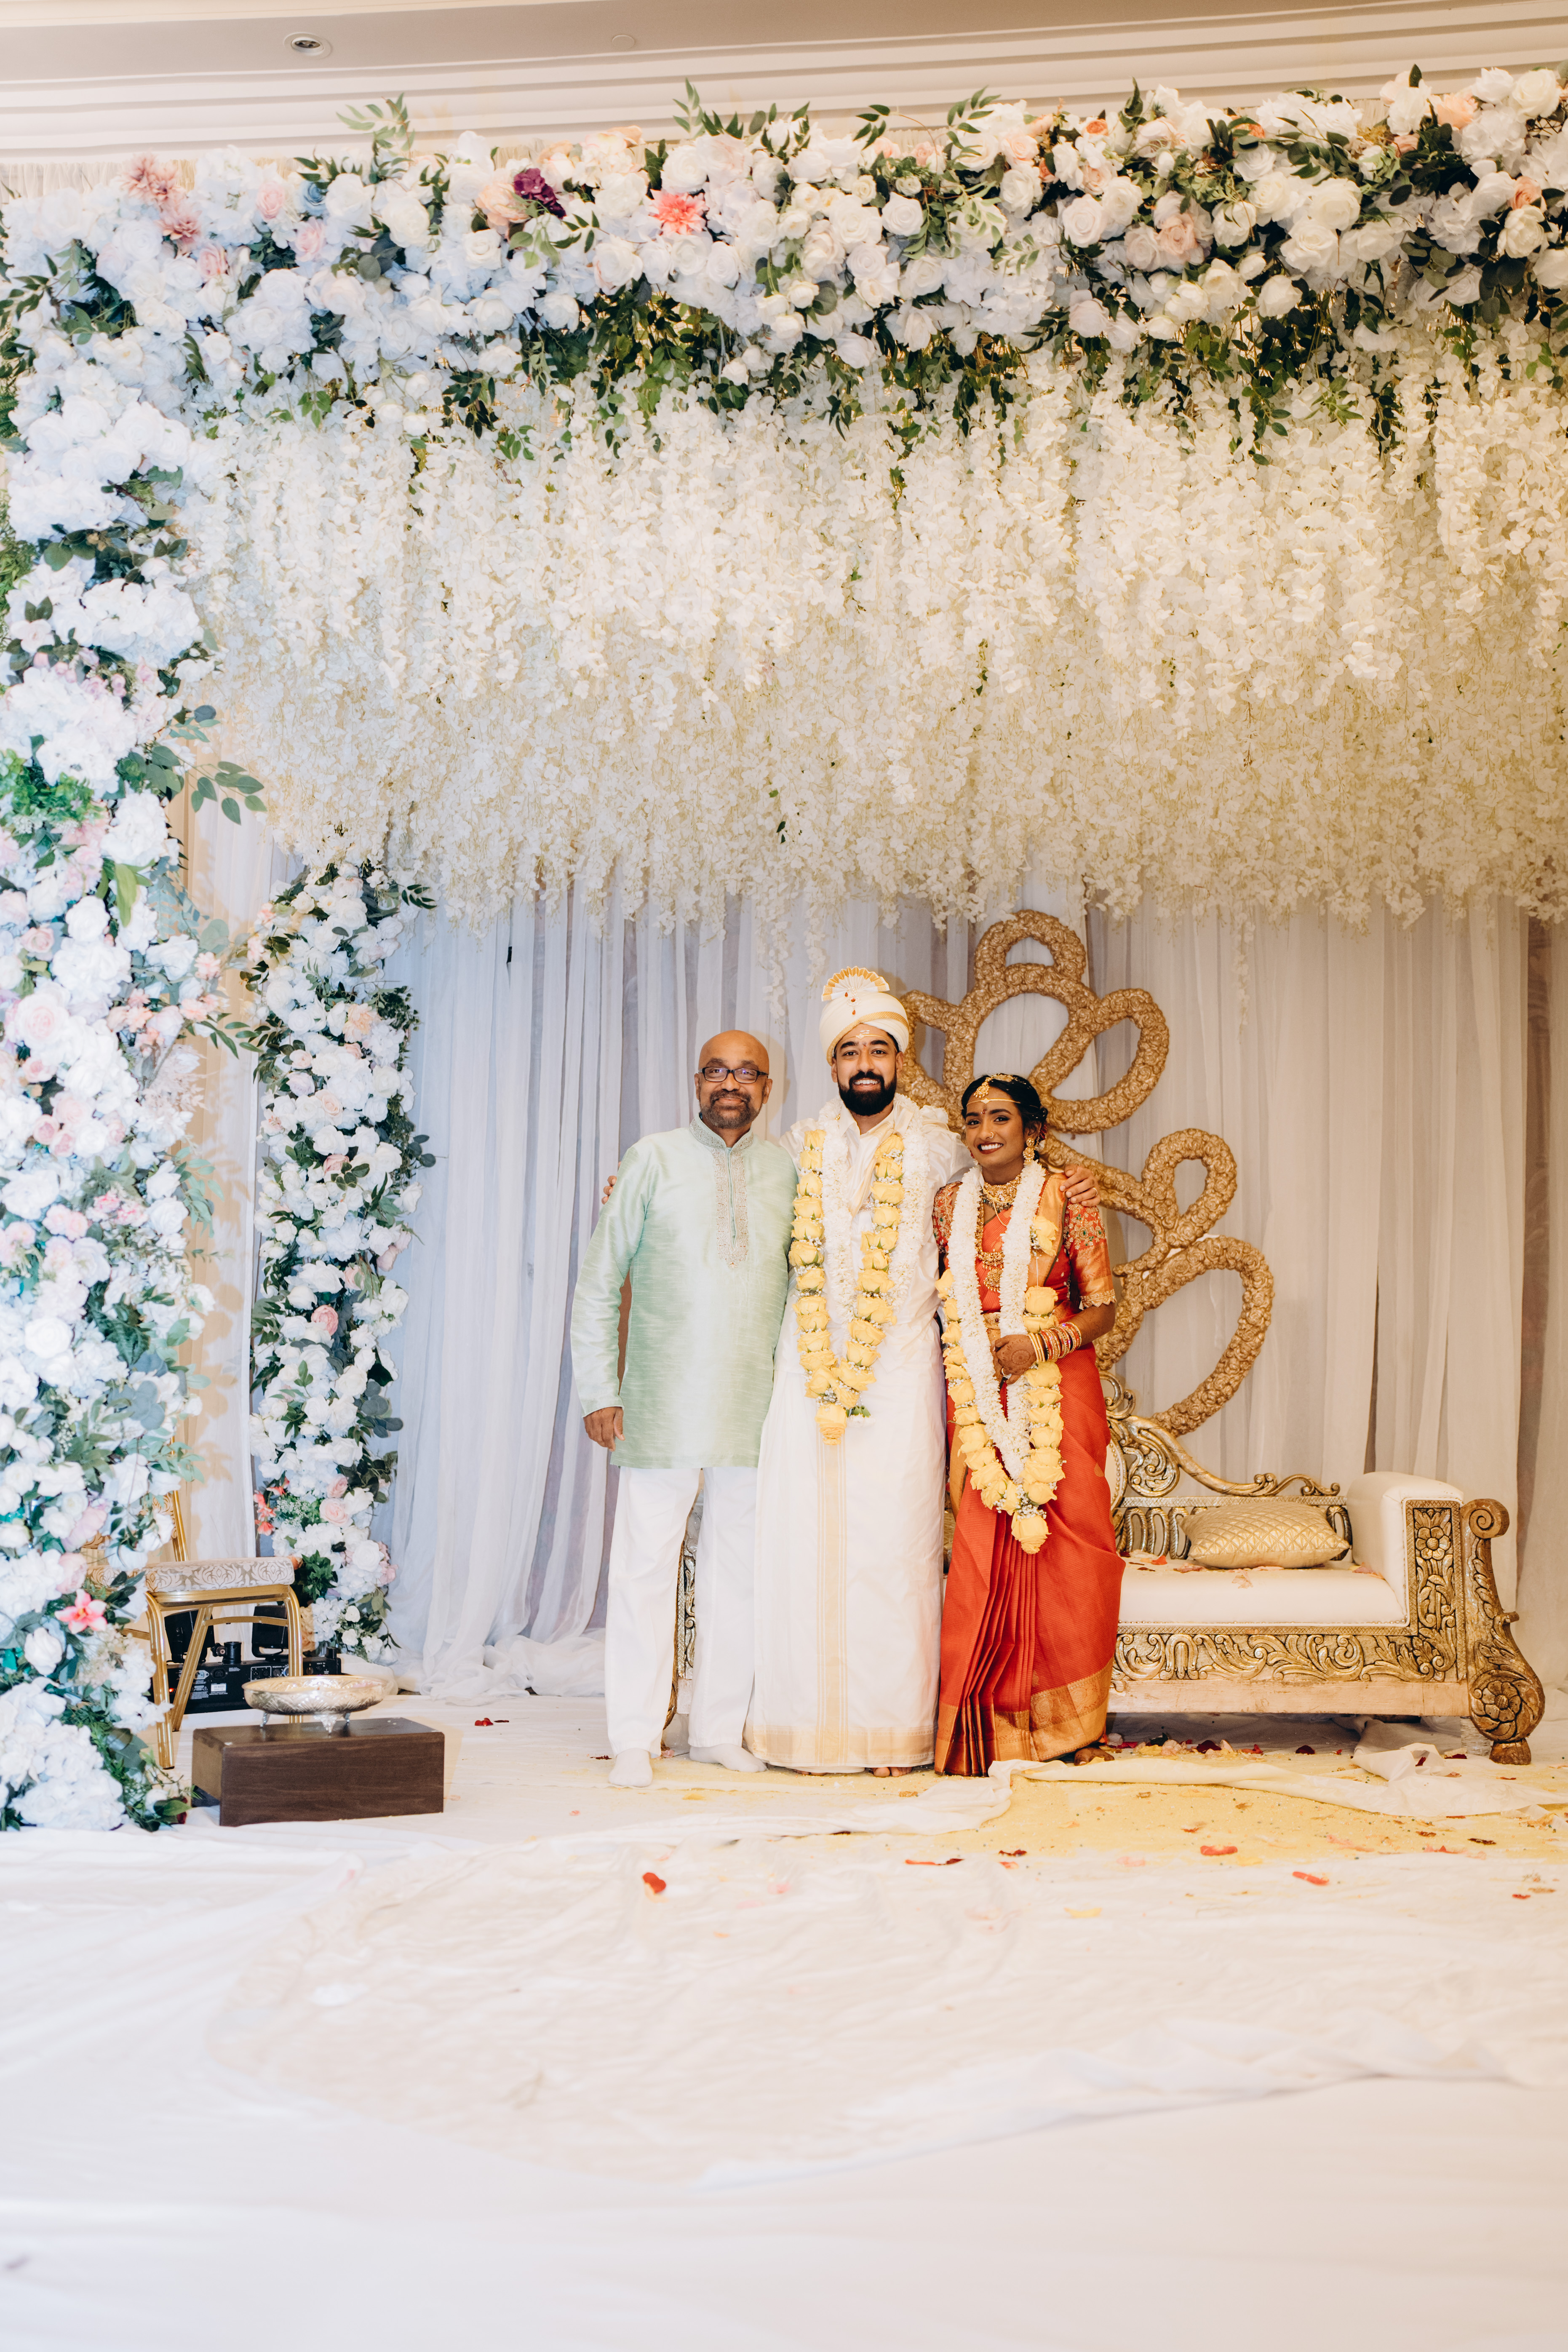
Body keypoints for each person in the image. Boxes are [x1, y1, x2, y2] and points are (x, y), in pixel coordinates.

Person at [746, 972, 1097, 1774]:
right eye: (849, 1052)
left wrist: (1075, 1181)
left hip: (901, 1368)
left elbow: (1015, 1185)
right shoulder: (795, 1148)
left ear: (900, 1059)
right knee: (800, 1542)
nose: (865, 1064)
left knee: (893, 1548)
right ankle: (799, 1726)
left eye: (879, 1049)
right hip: (804, 1372)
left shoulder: (941, 1146)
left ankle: (890, 1731)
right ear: (832, 1065)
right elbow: (733, 1199)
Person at [571, 1033, 797, 1788]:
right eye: (717, 1071)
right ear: (697, 1081)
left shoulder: (787, 1170)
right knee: (644, 1569)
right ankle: (634, 1737)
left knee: (740, 1573)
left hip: (754, 1404)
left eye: (747, 1073)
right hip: (659, 1399)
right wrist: (600, 1389)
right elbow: (600, 1281)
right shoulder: (652, 1159)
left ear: (767, 1087)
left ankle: (718, 1730)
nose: (731, 1084)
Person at [932, 1072, 1124, 1774]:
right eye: (973, 1119)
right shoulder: (946, 1204)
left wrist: (1041, 1346)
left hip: (1056, 1385)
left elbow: (1102, 1308)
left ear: (1033, 1130)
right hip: (975, 1385)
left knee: (1069, 1551)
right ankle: (986, 1731)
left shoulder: (1068, 1196)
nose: (984, 1132)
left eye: (1001, 1118)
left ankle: (1070, 1729)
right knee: (982, 1548)